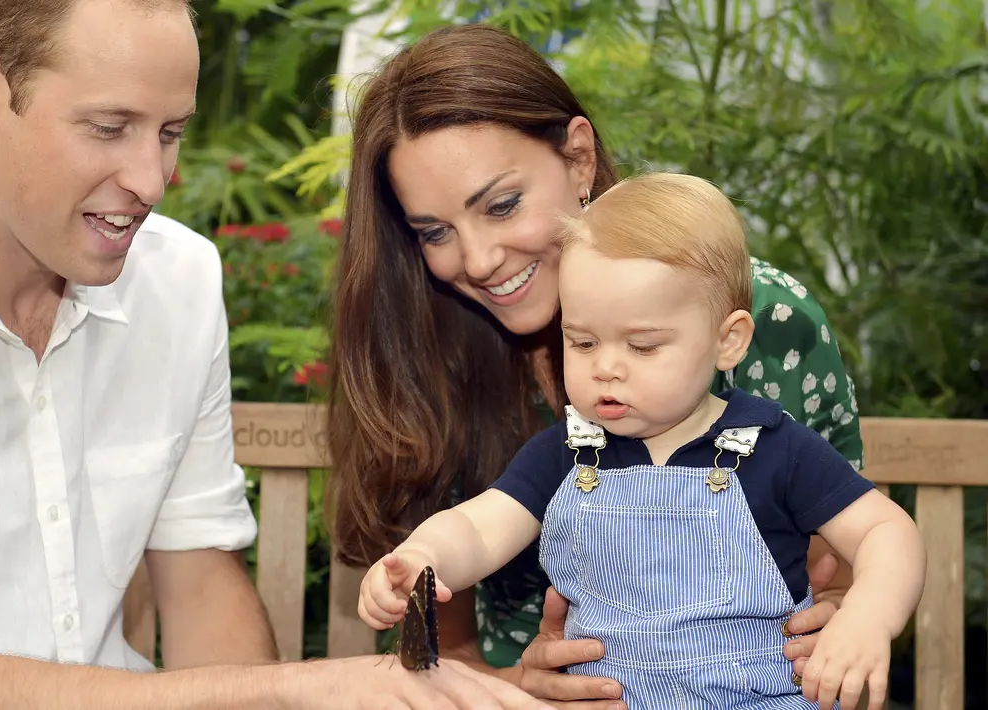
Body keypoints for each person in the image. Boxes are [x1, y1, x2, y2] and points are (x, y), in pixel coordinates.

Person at [0, 2, 552, 709]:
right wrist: (300, 689)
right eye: (109, 128)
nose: (152, 178)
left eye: (170, 132)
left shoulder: (175, 279)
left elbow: (199, 577)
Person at [325, 23, 868, 708]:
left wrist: (847, 613)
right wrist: (517, 688)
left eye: (500, 205)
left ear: (578, 158)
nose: (477, 259)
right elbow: (442, 638)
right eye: (434, 231)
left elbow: (852, 554)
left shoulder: (756, 318)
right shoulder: (426, 350)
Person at [357, 172, 926, 710]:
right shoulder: (566, 454)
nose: (606, 367)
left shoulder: (774, 446)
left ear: (729, 341)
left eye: (644, 346)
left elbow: (885, 529)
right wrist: (423, 559)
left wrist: (867, 617)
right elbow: (478, 529)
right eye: (581, 342)